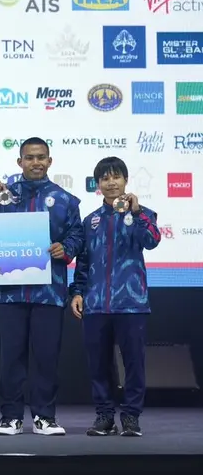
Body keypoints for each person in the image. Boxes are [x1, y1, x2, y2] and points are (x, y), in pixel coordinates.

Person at [0, 137, 84, 436]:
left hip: (49, 291)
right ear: (19, 162)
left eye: (41, 157)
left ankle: (44, 417)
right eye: (29, 157)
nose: (35, 162)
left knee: (46, 357)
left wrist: (66, 247)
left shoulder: (65, 200)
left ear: (50, 161)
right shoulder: (4, 196)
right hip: (10, 291)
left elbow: (78, 236)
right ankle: (10, 417)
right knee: (11, 357)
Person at [69, 157, 161, 437]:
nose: (111, 183)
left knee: (133, 364)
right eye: (105, 178)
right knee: (98, 365)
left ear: (126, 180)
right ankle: (105, 416)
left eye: (116, 177)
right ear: (98, 184)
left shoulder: (144, 215)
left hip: (131, 304)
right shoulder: (91, 221)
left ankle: (131, 417)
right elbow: (83, 261)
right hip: (95, 305)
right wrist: (77, 292)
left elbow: (152, 241)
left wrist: (138, 212)